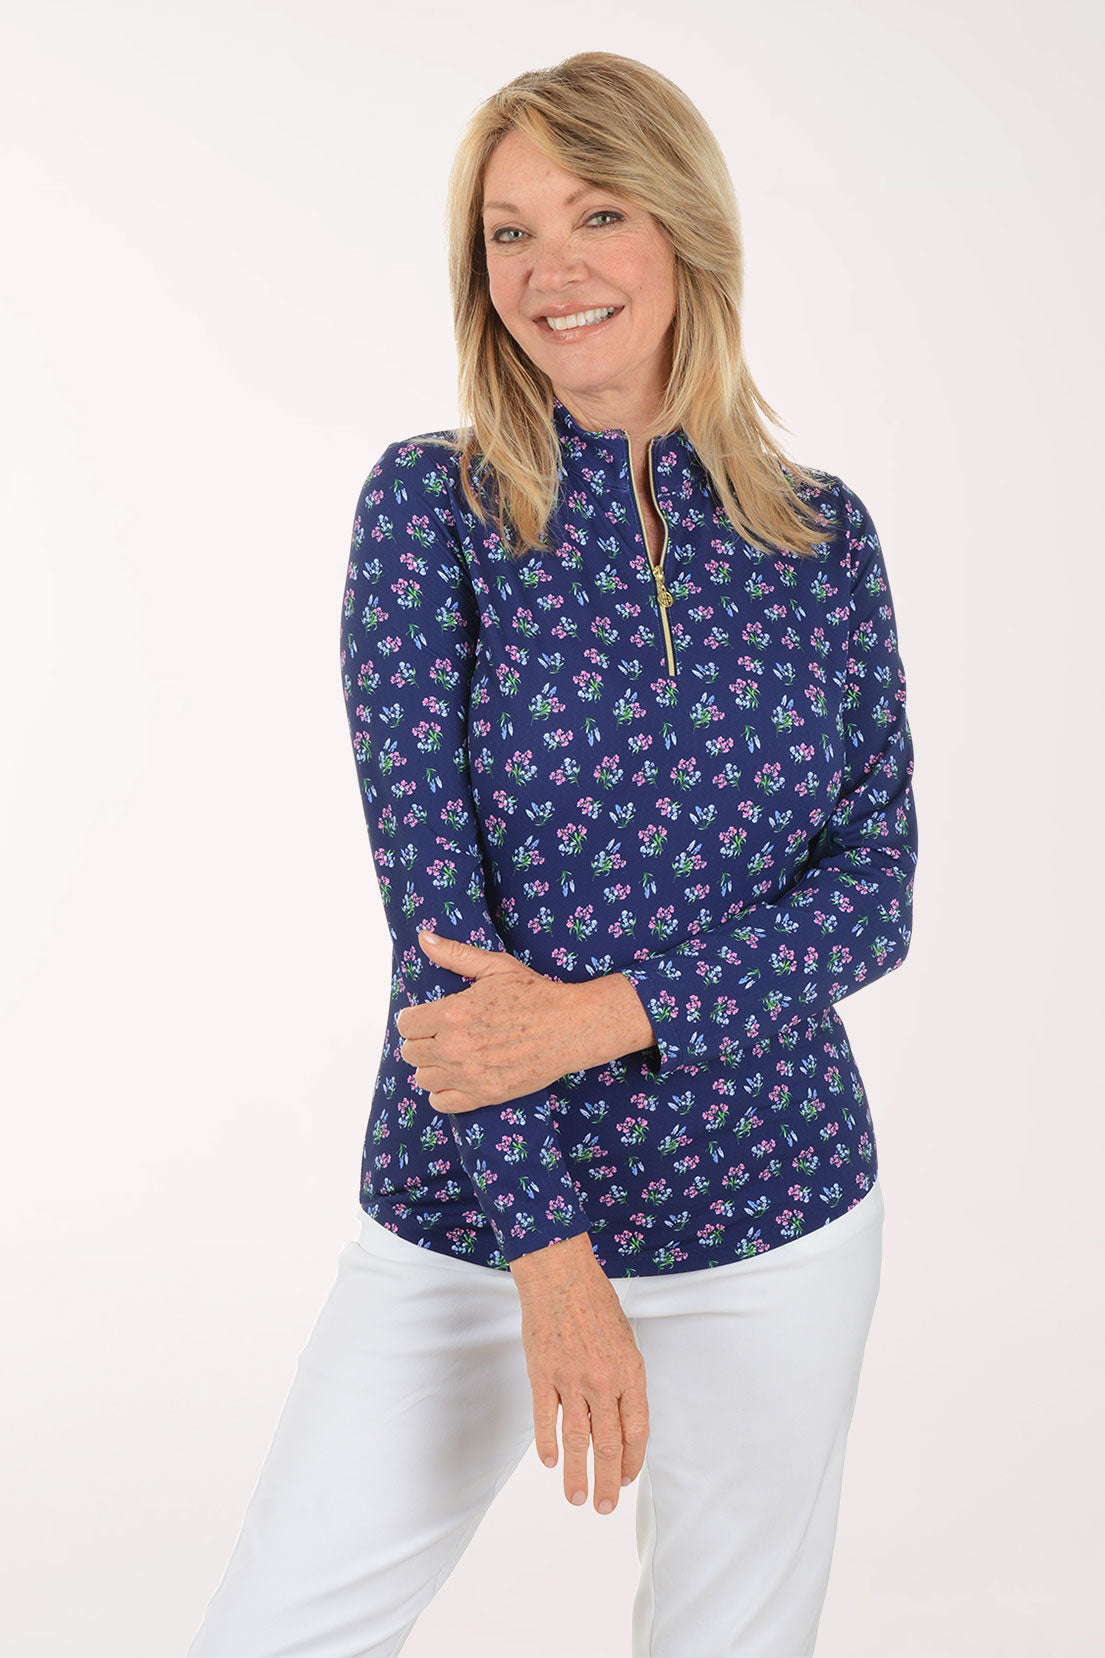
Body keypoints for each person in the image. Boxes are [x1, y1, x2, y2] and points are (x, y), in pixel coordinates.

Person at [186, 49, 917, 1658]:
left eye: (594, 212)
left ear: (684, 232)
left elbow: (873, 897)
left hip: (779, 1206)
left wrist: (609, 1009)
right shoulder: (431, 510)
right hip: (470, 1211)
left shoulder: (821, 534)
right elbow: (435, 938)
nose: (549, 268)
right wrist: (550, 1253)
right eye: (506, 234)